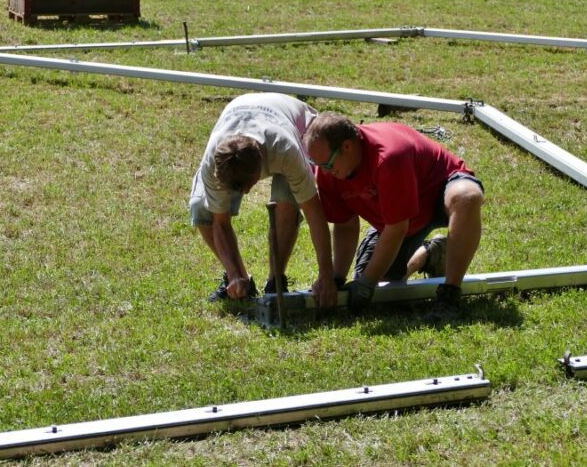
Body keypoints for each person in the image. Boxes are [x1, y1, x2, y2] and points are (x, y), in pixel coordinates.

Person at [303, 111, 484, 318]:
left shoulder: (388, 157)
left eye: (327, 164)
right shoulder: (328, 173)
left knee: (466, 197)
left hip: (436, 192)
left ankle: (449, 295)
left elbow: (397, 229)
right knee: (384, 290)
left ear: (347, 146)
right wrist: (336, 280)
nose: (324, 171)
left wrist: (366, 282)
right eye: (318, 165)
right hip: (399, 220)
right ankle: (430, 255)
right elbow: (345, 226)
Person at [190, 93, 337, 308]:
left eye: (248, 184)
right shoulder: (213, 162)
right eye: (239, 189)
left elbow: (314, 214)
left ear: (262, 163)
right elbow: (220, 223)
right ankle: (240, 281)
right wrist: (234, 274)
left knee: (286, 199)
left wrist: (326, 276)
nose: (246, 192)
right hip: (244, 113)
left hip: (297, 126)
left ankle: (275, 281)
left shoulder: (285, 149)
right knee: (200, 208)